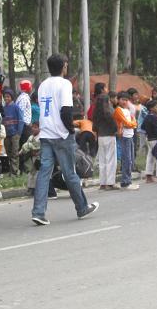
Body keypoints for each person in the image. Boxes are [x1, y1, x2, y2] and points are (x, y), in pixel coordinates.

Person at [31, 54, 98, 225]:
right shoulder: (65, 84)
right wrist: (70, 130)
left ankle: (38, 212)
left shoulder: (43, 85)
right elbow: (66, 111)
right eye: (66, 65)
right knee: (70, 172)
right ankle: (82, 207)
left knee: (44, 173)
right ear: (63, 67)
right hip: (61, 134)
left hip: (46, 134)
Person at [114, 92, 139, 190]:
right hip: (124, 136)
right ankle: (125, 182)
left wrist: (132, 124)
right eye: (122, 99)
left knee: (130, 159)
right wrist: (133, 124)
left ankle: (128, 181)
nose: (124, 102)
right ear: (118, 100)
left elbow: (133, 122)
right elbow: (127, 123)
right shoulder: (118, 110)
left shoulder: (127, 110)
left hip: (130, 136)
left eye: (126, 100)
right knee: (127, 160)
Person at [92, 94, 118, 190]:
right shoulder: (110, 110)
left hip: (101, 137)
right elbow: (115, 124)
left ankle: (102, 183)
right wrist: (117, 131)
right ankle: (110, 183)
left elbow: (94, 127)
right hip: (110, 136)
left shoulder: (96, 112)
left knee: (102, 160)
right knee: (110, 160)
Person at [1, 89, 24, 176]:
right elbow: (2, 120)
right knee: (8, 153)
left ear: (11, 97)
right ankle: (11, 170)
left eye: (8, 96)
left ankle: (15, 171)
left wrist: (19, 133)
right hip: (6, 134)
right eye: (5, 97)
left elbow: (21, 120)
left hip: (15, 134)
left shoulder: (16, 107)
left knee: (15, 153)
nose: (6, 98)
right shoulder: (4, 108)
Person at [16, 80, 33, 146]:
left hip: (24, 125)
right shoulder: (24, 98)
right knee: (25, 145)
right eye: (30, 87)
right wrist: (27, 123)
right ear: (28, 88)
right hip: (24, 126)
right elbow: (20, 113)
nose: (31, 89)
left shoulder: (22, 97)